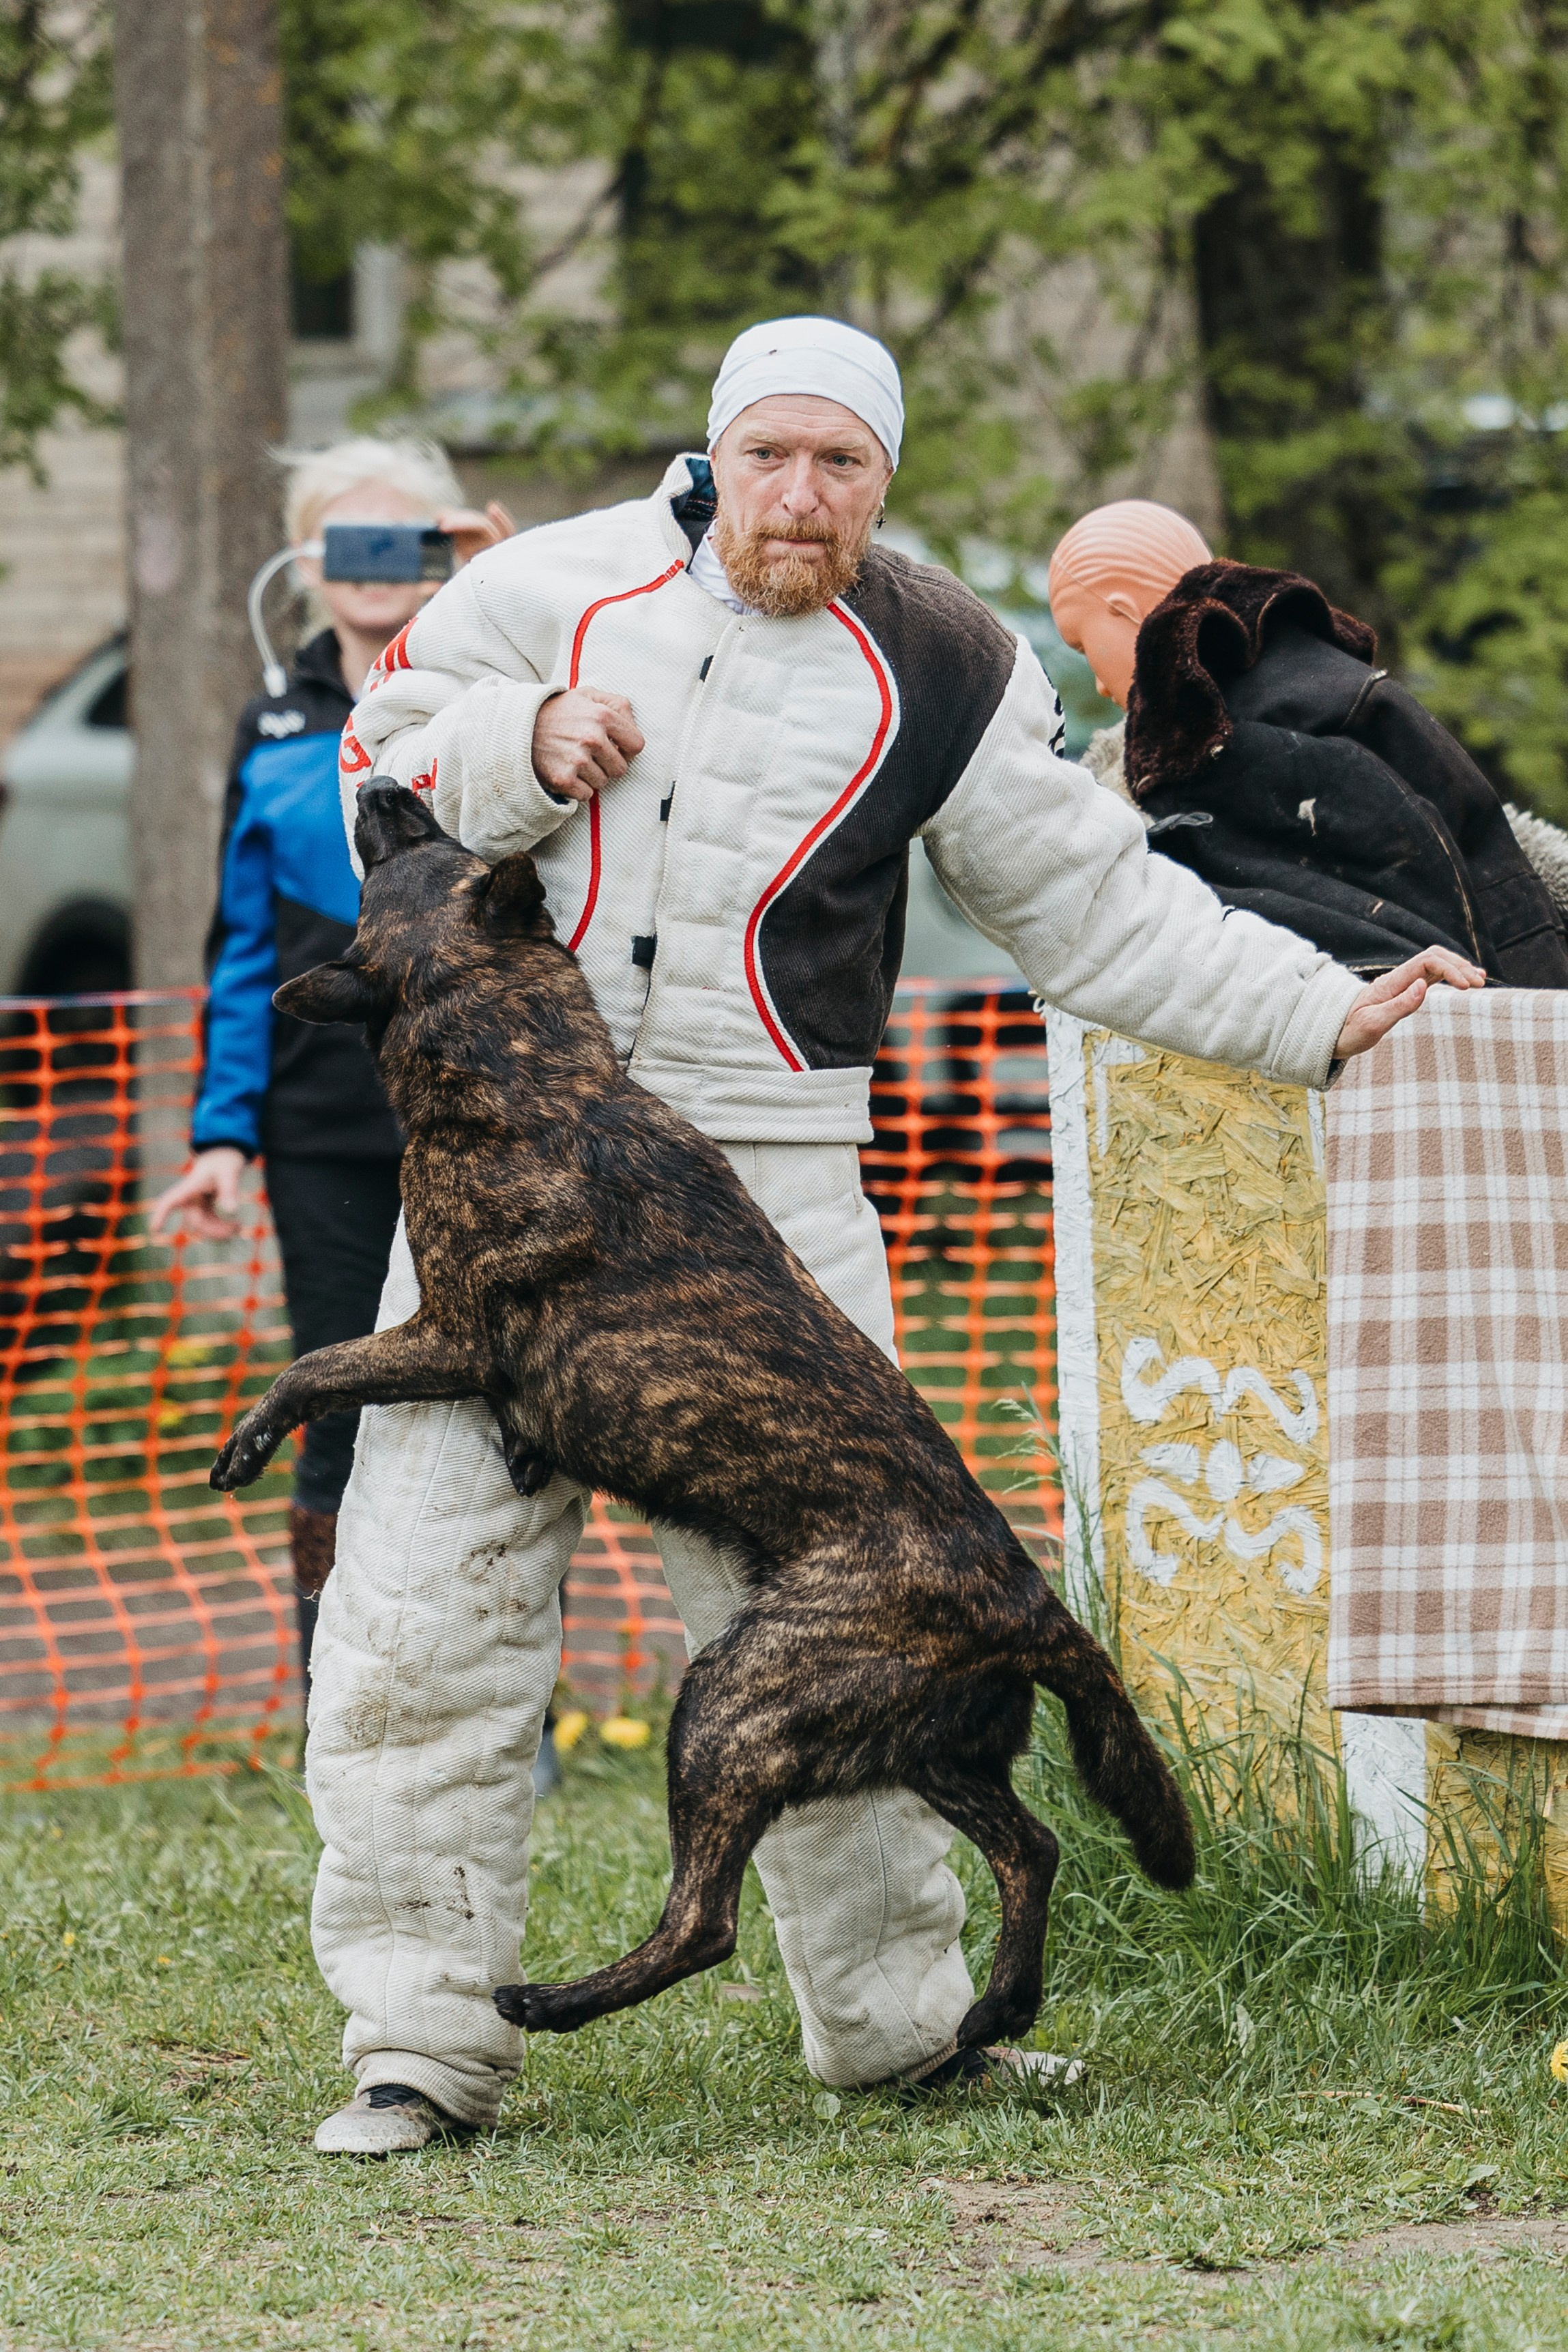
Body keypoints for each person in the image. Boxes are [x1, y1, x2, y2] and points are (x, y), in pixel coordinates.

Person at [306, 317, 1483, 2157]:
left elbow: (1096, 913)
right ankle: (417, 2039)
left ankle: (900, 2026)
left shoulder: (948, 659)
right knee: (421, 1608)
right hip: (512, 1174)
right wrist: (521, 745)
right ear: (715, 454)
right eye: (770, 453)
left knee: (864, 1619)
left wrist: (1325, 1007)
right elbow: (379, 762)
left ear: (885, 478)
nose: (802, 493)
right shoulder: (547, 587)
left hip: (768, 1196)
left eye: (841, 464)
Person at [150, 438, 513, 1675]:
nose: (371, 566)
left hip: (479, 1114)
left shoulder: (498, 694)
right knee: (338, 1401)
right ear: (306, 563)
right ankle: (335, 1673)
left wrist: (508, 590)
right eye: (345, 540)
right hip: (324, 1133)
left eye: (401, 538)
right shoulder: (272, 724)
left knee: (497, 1399)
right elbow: (245, 952)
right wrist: (220, 1135)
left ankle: (491, 1685)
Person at [1049, 499, 1568, 985]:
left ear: (1123, 610)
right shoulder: (1301, 688)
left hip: (1442, 1010)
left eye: (1082, 644)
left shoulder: (1231, 733)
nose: (1096, 682)